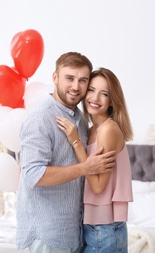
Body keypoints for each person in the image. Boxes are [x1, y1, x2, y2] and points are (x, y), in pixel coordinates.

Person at [16, 52, 116, 253]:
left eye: (82, 80)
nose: (76, 86)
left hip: (73, 233)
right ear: (55, 78)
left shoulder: (79, 118)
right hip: (46, 235)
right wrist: (85, 168)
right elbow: (33, 175)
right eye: (69, 78)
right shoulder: (41, 118)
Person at [56, 67, 133, 253]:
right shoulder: (91, 130)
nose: (95, 98)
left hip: (105, 229)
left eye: (104, 93)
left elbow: (98, 187)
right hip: (93, 226)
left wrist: (76, 142)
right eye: (91, 90)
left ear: (112, 100)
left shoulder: (108, 130)